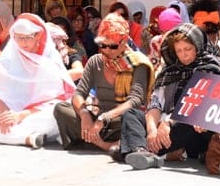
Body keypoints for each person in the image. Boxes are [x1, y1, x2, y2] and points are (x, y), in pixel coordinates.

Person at [54, 13, 156, 164]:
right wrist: (85, 115)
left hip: (121, 121)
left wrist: (105, 117)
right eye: (103, 45)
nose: (107, 50)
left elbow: (135, 101)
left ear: (124, 42)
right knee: (61, 108)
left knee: (132, 121)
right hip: (98, 121)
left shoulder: (138, 63)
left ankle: (99, 143)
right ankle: (107, 144)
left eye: (112, 46)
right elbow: (79, 93)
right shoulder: (95, 61)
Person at [0, 13, 74, 148]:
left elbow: (55, 99)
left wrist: (20, 116)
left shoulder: (50, 58)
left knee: (55, 114)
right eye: (18, 38)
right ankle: (26, 138)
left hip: (34, 115)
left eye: (27, 37)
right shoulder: (9, 57)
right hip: (8, 112)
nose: (23, 42)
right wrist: (5, 113)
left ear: (38, 35)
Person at [143, 23, 220, 167]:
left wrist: (168, 122)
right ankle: (146, 149)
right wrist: (152, 130)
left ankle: (141, 149)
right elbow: (156, 103)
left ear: (198, 47)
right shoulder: (169, 72)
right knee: (132, 115)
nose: (184, 54)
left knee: (191, 120)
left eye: (188, 49)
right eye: (179, 50)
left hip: (192, 127)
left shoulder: (212, 68)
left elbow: (199, 104)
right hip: (164, 123)